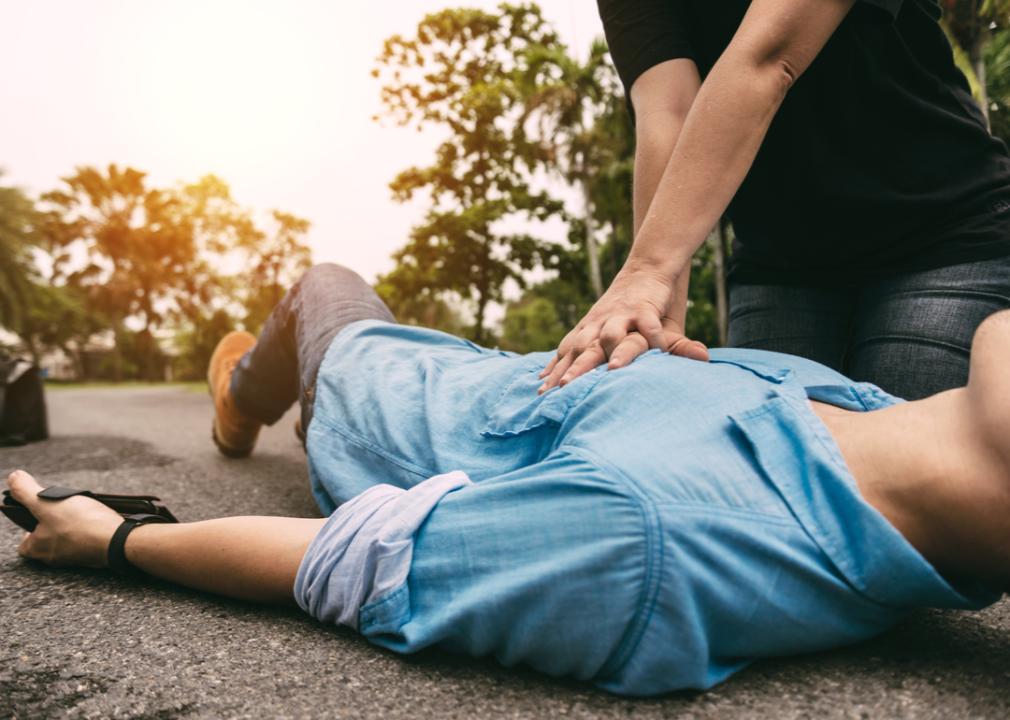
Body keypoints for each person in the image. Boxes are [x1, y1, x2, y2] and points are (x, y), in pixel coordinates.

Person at [7, 263, 1010, 696]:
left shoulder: (652, 540)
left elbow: (353, 559)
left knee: (321, 285)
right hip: (496, 371)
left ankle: (241, 401)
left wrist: (115, 540)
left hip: (377, 389)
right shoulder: (868, 407)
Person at [538, 0, 1010, 401]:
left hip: (943, 237)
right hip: (783, 261)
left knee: (895, 461)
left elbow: (770, 57)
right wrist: (656, 316)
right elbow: (669, 110)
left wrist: (648, 269)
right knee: (769, 457)